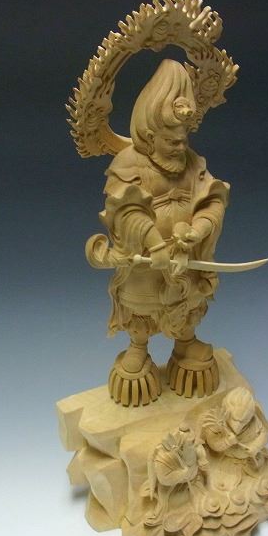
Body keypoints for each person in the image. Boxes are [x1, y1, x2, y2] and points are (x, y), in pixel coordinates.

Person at [98, 59, 230, 404]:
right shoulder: (129, 164)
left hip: (185, 257)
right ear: (149, 135)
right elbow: (125, 209)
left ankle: (185, 342)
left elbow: (213, 199)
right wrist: (155, 244)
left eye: (183, 140)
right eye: (171, 141)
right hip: (146, 261)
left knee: (186, 303)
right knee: (142, 309)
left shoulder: (191, 162)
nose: (179, 147)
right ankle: (138, 347)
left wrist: (198, 230)